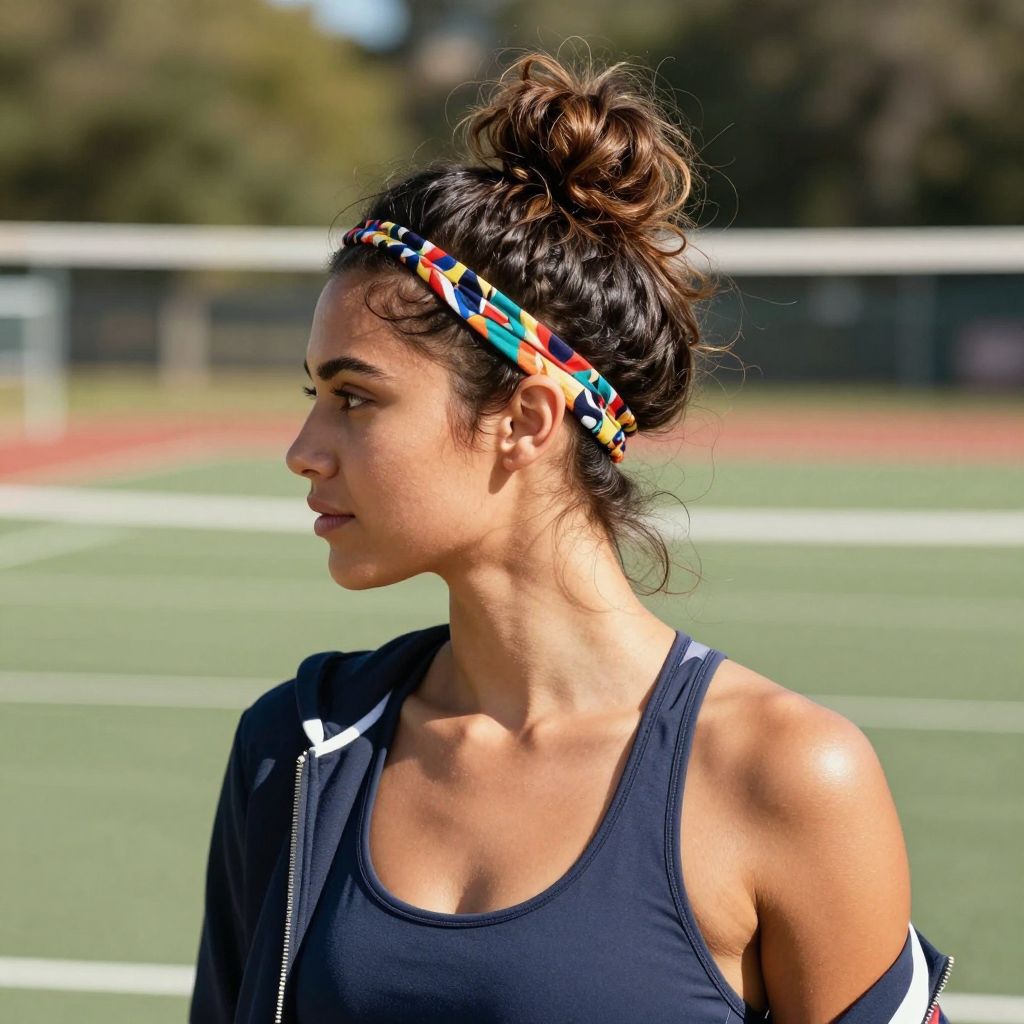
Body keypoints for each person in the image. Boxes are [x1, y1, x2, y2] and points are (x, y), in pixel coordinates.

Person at [189, 50, 953, 1024]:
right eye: (313, 396)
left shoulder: (790, 775)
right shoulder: (295, 748)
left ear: (526, 418)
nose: (303, 450)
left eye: (354, 397)